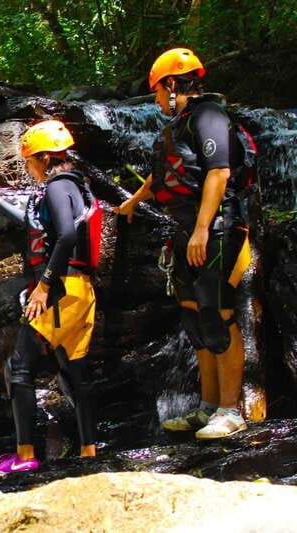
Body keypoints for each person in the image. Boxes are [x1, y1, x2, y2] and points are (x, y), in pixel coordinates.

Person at [115, 48, 252, 439]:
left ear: (173, 84)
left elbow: (219, 172)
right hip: (185, 228)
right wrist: (132, 202)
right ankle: (207, 408)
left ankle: (231, 411)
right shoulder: (180, 125)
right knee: (195, 318)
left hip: (218, 227)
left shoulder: (209, 115)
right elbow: (162, 174)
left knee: (217, 315)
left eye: (158, 91)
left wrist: (203, 228)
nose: (157, 100)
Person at [0, 120, 101, 477]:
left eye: (28, 160)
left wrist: (43, 286)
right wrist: (0, 202)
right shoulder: (74, 185)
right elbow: (42, 227)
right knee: (75, 371)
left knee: (19, 368)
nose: (27, 167)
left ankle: (25, 455)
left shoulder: (57, 187)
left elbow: (66, 237)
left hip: (58, 291)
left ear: (44, 158)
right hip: (79, 290)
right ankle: (90, 451)